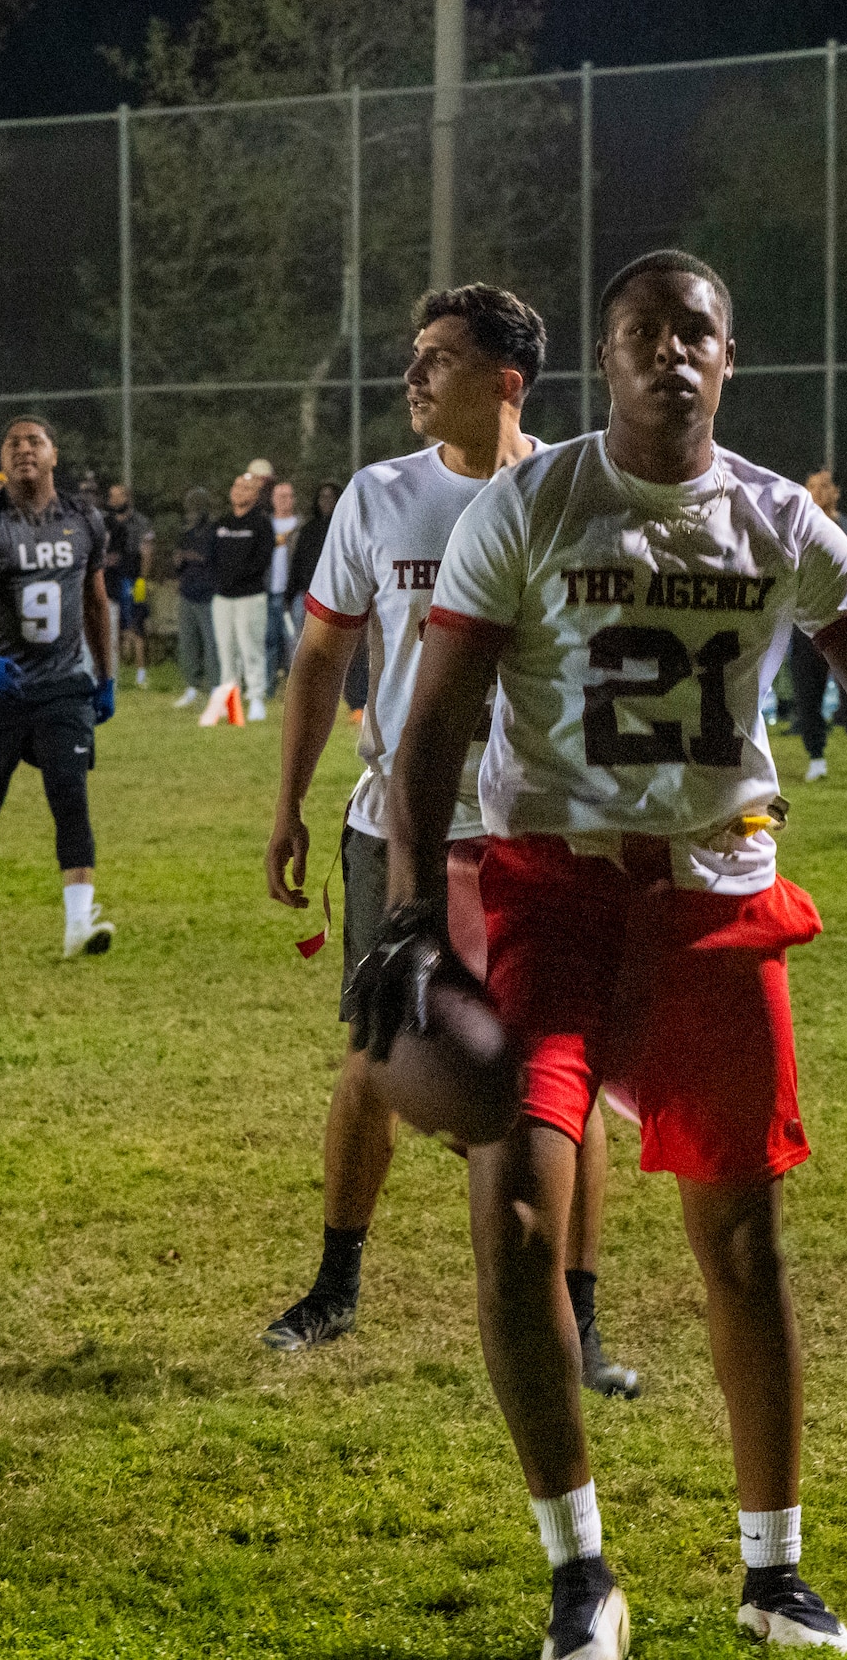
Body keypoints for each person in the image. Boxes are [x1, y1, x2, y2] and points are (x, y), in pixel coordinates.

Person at [372, 249, 847, 1659]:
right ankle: (579, 1568)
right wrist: (405, 911)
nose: (669, 353)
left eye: (694, 330)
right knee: (514, 1215)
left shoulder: (774, 516)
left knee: (742, 1241)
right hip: (549, 891)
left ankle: (773, 1573)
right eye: (642, 332)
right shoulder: (531, 502)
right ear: (605, 357)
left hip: (712, 894)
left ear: (729, 356)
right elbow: (434, 729)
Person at [264, 284, 638, 1398]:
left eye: (437, 359)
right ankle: (335, 1284)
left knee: (565, 1075)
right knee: (375, 1055)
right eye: (412, 355)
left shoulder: (572, 491)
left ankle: (582, 1322)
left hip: (540, 824)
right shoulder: (380, 496)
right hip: (400, 823)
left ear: (505, 382)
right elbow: (321, 658)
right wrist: (288, 803)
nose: (414, 377)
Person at [0, 416, 117, 956]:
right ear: (2, 457)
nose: (24, 450)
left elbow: (95, 601)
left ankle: (78, 923)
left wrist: (106, 674)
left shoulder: (83, 518)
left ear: (53, 454)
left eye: (35, 441)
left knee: (70, 793)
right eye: (13, 443)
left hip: (63, 682)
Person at [789, 469, 847, 781]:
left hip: (845, 622)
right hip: (805, 624)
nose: (818, 491)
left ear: (837, 492)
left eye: (824, 486)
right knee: (808, 693)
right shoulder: (796, 526)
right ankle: (816, 758)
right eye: (812, 486)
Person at [210, 468, 274, 722]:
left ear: (257, 495)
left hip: (250, 596)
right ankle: (229, 701)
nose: (239, 492)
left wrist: (236, 577)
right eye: (236, 486)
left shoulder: (261, 524)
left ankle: (256, 697)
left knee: (251, 648)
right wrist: (221, 580)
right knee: (226, 649)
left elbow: (261, 561)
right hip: (223, 597)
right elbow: (211, 557)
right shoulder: (221, 523)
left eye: (246, 488)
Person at [172, 488, 219, 710]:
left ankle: (214, 688)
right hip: (187, 592)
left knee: (211, 645)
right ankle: (191, 687)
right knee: (187, 643)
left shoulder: (213, 532)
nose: (191, 512)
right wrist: (178, 560)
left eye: (195, 507)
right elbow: (178, 562)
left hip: (208, 594)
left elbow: (210, 559)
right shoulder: (186, 533)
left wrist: (191, 556)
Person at [105, 483, 155, 688]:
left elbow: (147, 552)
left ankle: (141, 674)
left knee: (136, 624)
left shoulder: (141, 522)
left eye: (120, 496)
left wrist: (143, 580)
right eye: (112, 496)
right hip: (110, 580)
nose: (115, 500)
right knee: (111, 626)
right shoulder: (105, 522)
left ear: (128, 498)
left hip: (133, 579)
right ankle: (111, 674)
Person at [284, 480, 340, 622]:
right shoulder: (308, 529)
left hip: (335, 597)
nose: (326, 501)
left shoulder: (344, 529)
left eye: (331, 497)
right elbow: (298, 562)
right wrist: (289, 595)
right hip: (308, 595)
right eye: (322, 497)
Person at [266, 479, 300, 692]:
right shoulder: (264, 526)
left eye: (287, 496)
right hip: (268, 591)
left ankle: (294, 688)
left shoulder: (301, 526)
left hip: (293, 593)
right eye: (279, 496)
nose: (283, 500)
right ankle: (267, 687)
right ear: (272, 499)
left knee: (293, 640)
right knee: (268, 640)